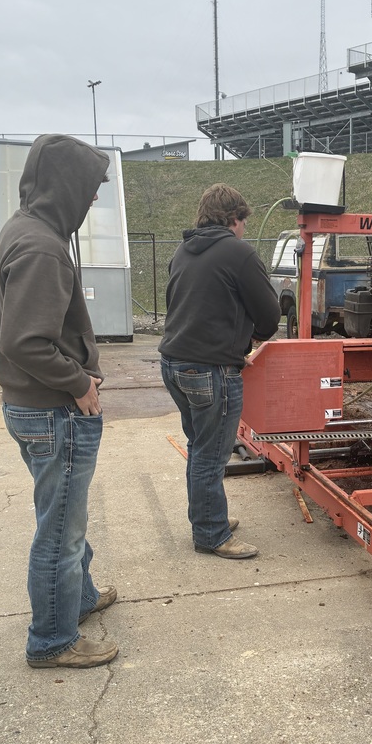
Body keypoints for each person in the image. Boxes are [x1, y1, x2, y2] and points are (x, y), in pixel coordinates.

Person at [0, 134, 118, 669]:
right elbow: (24, 341)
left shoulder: (24, 231)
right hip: (53, 410)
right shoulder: (42, 246)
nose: (91, 202)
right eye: (88, 190)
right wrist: (79, 383)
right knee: (61, 531)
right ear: (67, 185)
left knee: (64, 517)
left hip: (32, 407)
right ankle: (52, 640)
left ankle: (78, 600)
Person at [159, 183, 280, 559]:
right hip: (211, 370)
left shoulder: (182, 250)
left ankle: (209, 519)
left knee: (200, 448)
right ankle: (212, 534)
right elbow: (270, 316)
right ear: (233, 220)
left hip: (174, 363)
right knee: (211, 455)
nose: (244, 229)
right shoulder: (238, 252)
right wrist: (248, 340)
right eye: (243, 222)